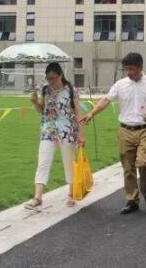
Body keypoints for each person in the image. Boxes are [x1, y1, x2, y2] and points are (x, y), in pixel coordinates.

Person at [80, 53, 146, 215]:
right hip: (125, 130)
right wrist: (91, 113)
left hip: (145, 129)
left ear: (140, 67)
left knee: (144, 162)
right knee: (128, 167)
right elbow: (106, 100)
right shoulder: (120, 84)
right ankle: (132, 200)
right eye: (126, 69)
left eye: (131, 69)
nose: (128, 72)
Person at [25, 63, 84, 210]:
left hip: (67, 131)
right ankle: (38, 197)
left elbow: (78, 113)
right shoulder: (46, 90)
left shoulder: (71, 90)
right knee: (43, 162)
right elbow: (42, 110)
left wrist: (81, 135)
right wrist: (34, 102)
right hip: (48, 130)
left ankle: (71, 194)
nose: (51, 81)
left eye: (53, 78)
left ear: (60, 75)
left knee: (69, 163)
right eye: (48, 78)